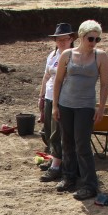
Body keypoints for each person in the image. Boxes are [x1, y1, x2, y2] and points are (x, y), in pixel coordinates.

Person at [52, 19, 108, 201]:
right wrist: (54, 105)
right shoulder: (67, 55)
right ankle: (69, 177)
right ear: (82, 36)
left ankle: (90, 185)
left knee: (82, 145)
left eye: (97, 39)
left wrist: (100, 107)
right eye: (91, 39)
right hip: (66, 104)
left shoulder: (100, 57)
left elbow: (105, 84)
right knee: (67, 141)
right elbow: (58, 81)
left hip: (85, 106)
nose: (94, 43)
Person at [38, 23, 75, 181]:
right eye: (58, 40)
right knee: (48, 130)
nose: (61, 43)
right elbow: (46, 76)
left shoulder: (73, 56)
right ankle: (54, 158)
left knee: (56, 132)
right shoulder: (52, 55)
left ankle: (56, 166)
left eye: (64, 39)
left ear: (71, 39)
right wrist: (41, 97)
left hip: (62, 98)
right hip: (49, 96)